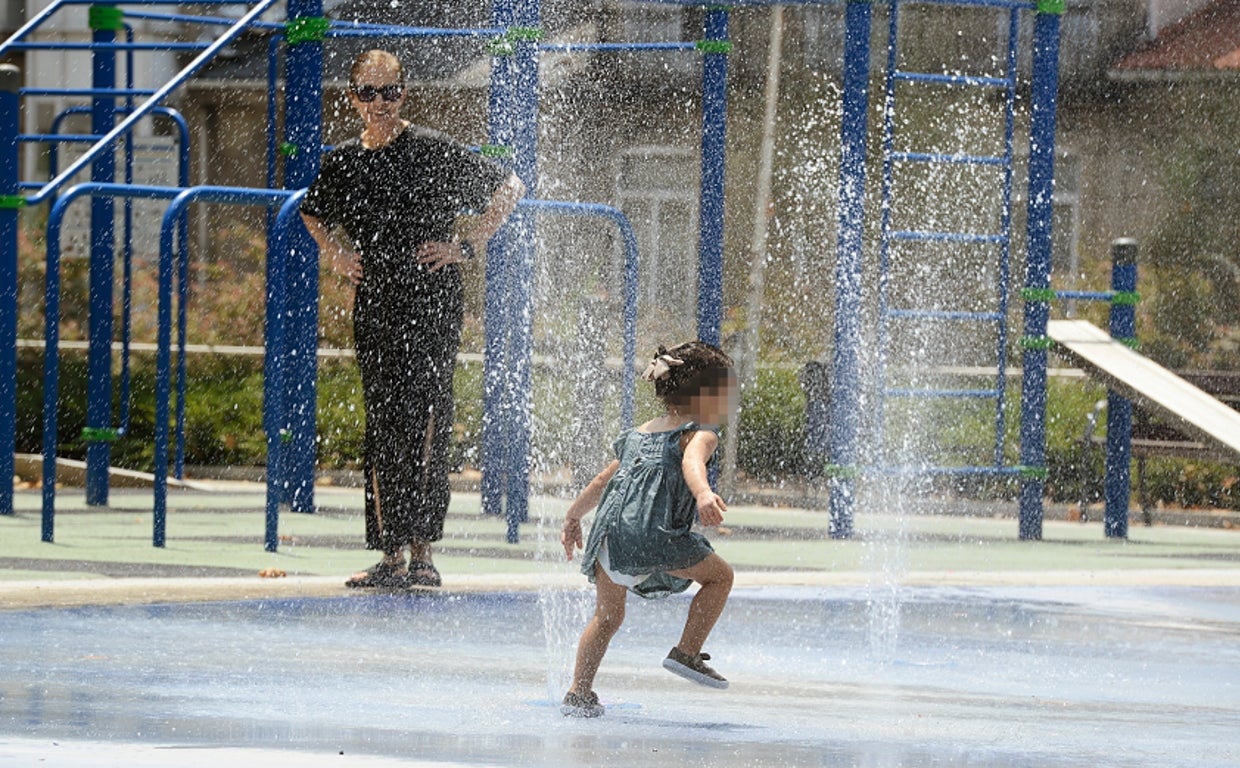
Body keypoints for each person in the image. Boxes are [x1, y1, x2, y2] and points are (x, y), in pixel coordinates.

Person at [300, 49, 525, 589]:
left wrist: (465, 246)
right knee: (383, 425)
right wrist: (336, 255)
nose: (381, 103)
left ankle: (423, 553)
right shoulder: (345, 161)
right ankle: (389, 554)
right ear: (352, 98)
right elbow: (312, 211)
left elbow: (510, 187)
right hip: (375, 302)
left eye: (391, 91)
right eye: (369, 93)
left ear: (405, 92)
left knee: (425, 420)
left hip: (430, 302)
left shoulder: (430, 149)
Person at [559, 341, 737, 718]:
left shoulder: (638, 434)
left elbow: (602, 481)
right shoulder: (700, 432)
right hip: (652, 534)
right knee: (720, 577)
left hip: (609, 536)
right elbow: (693, 463)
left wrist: (574, 516)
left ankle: (579, 691)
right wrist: (703, 494)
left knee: (606, 617)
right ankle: (687, 651)